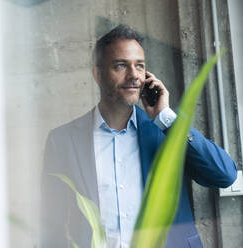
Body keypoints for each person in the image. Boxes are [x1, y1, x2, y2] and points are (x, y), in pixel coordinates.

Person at [40, 24, 237, 248]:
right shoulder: (63, 141)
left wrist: (166, 117)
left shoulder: (165, 131)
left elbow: (224, 175)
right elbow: (50, 224)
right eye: (121, 65)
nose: (134, 75)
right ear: (98, 74)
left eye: (140, 66)